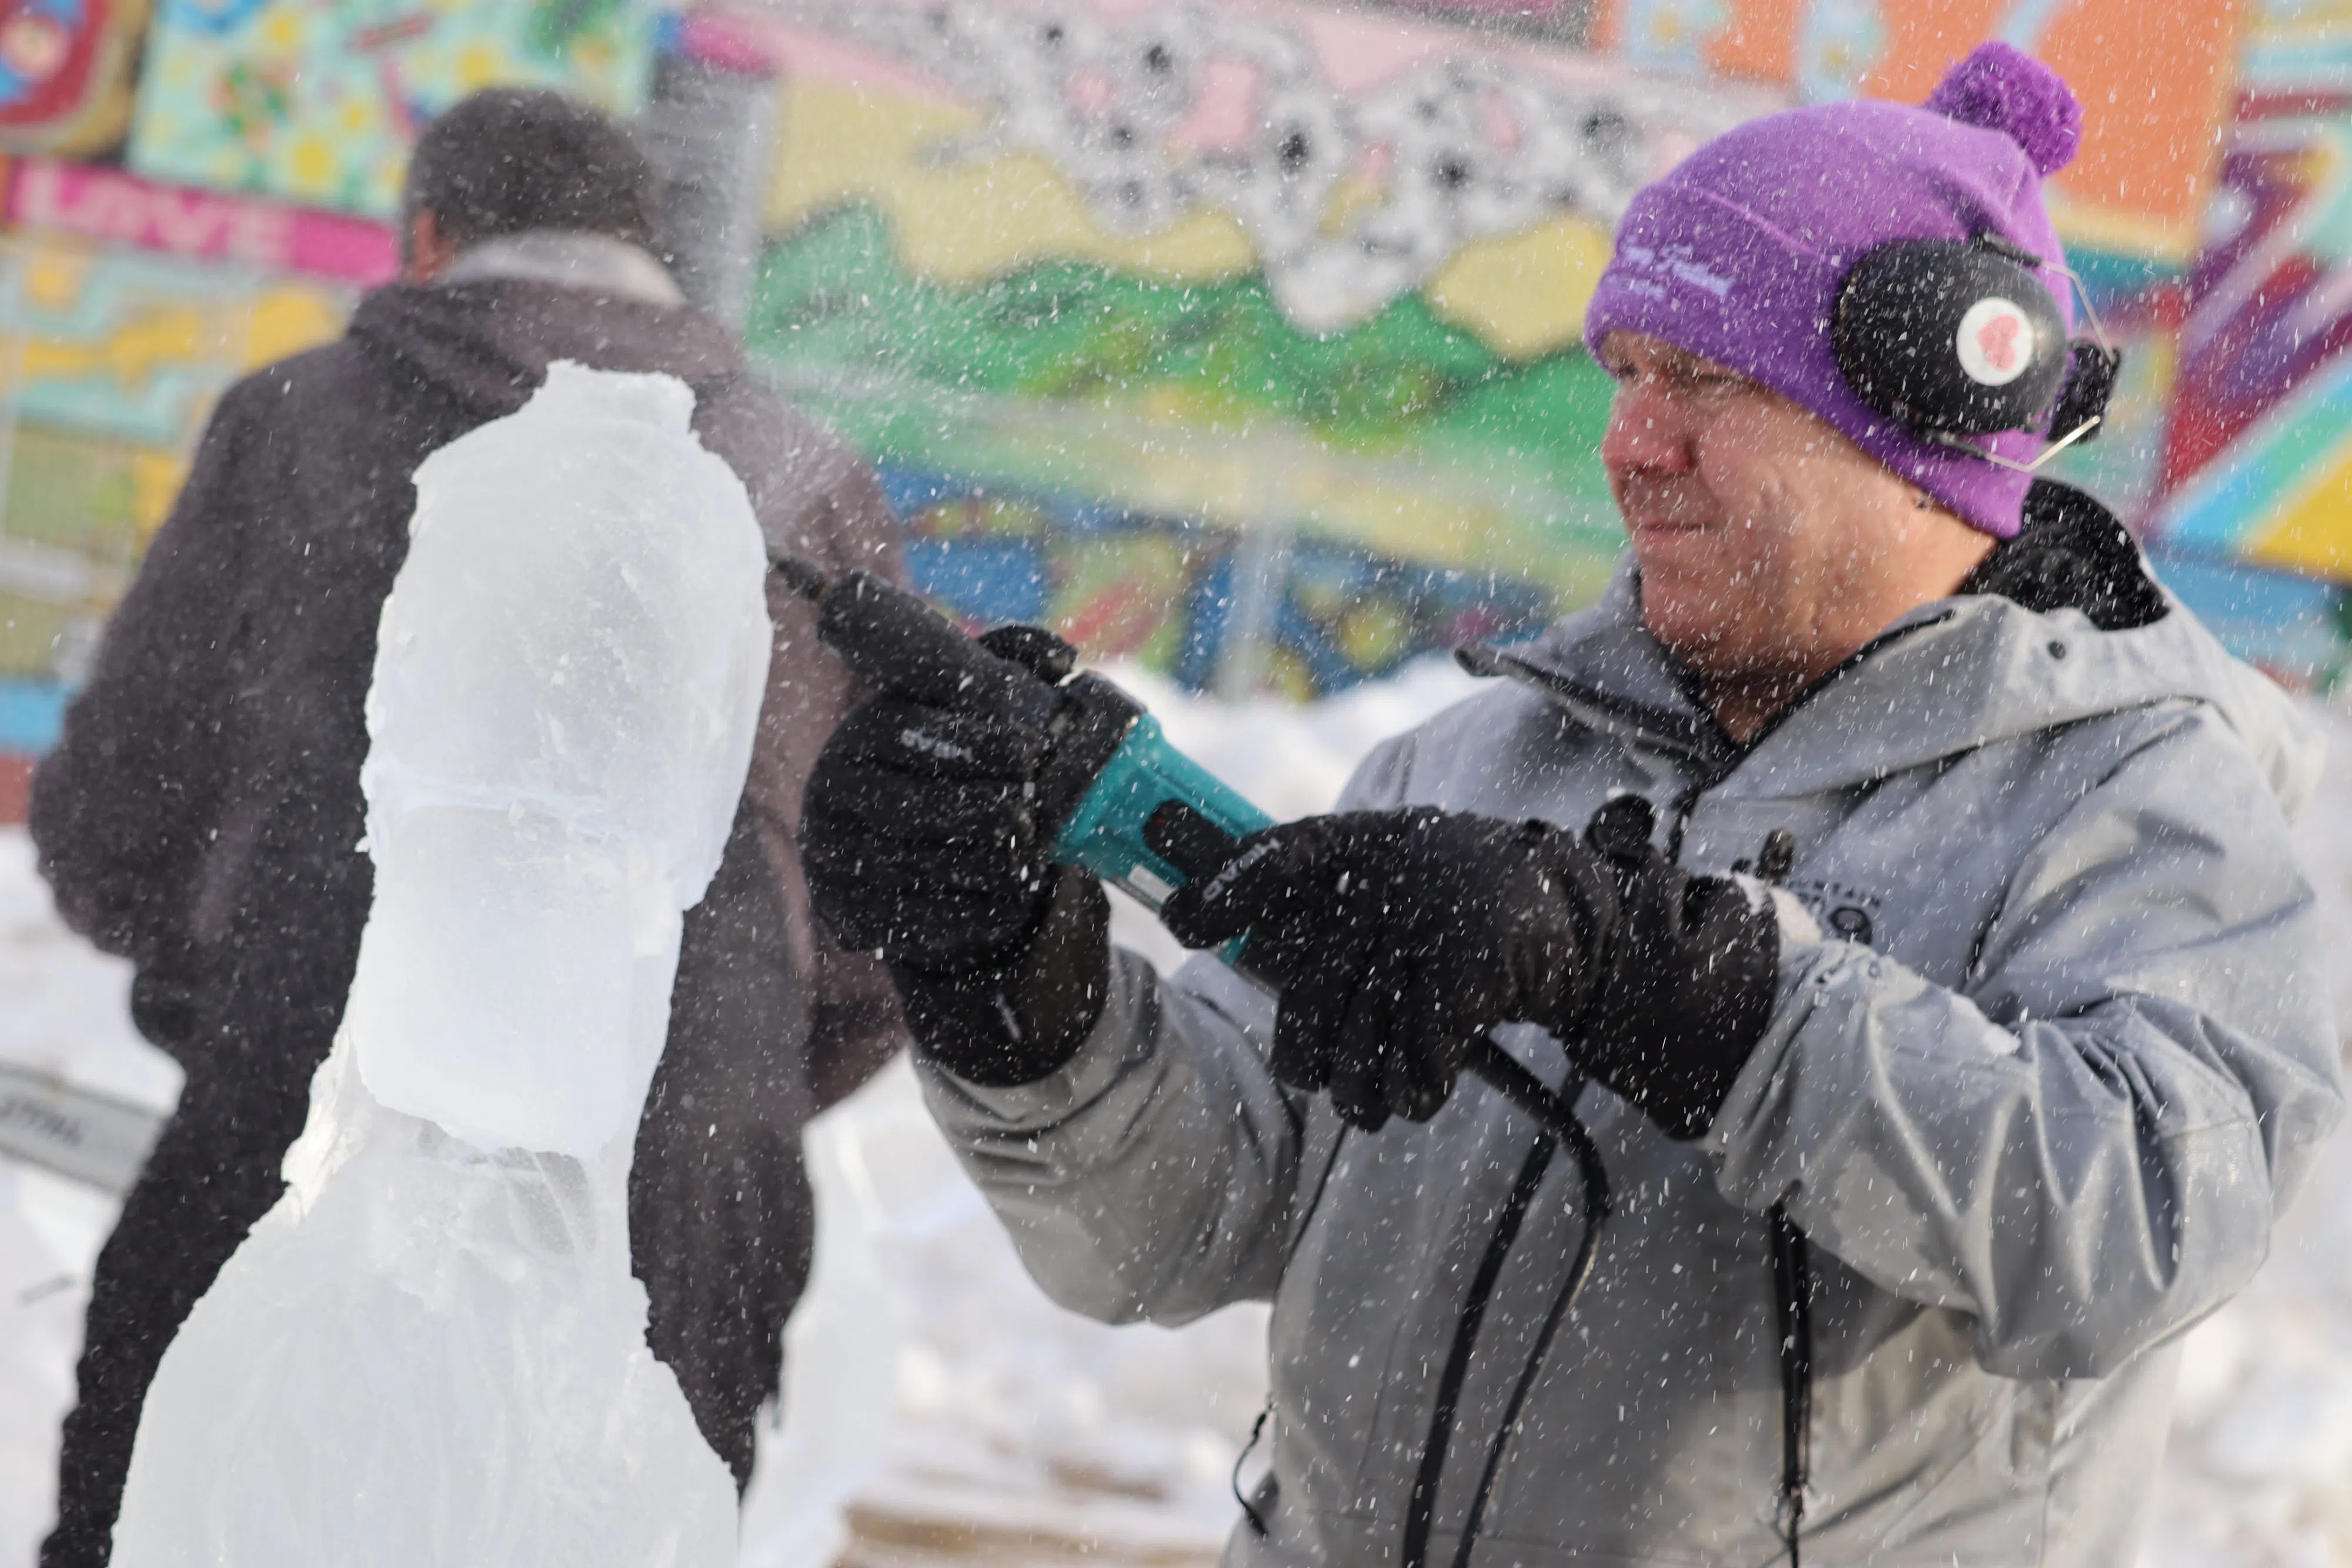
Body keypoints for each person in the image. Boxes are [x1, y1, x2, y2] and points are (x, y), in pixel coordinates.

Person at [797, 44, 2346, 1568]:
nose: (1628, 441)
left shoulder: (2141, 802)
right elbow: (1183, 1224)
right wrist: (1011, 973)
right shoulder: (1487, 757)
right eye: (1624, 373)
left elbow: (2148, 1215)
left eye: (1703, 382)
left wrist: (1679, 985)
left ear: (1930, 429)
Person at [29, 87, 905, 1565]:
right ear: (652, 255)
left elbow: (119, 807)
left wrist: (224, 979)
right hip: (681, 1183)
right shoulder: (796, 478)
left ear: (429, 237)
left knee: (181, 1517)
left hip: (308, 1115)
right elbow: (877, 927)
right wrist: (709, 1089)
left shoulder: (301, 421)